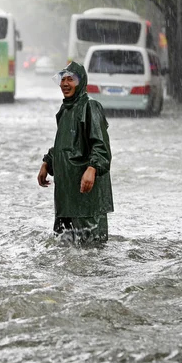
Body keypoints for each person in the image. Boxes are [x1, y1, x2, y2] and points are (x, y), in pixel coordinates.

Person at [37, 61, 113, 244]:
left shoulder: (90, 107)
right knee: (64, 252)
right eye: (63, 80)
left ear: (81, 82)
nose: (65, 84)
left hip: (87, 202)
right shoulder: (65, 110)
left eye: (70, 80)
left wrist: (92, 168)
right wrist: (47, 163)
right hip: (66, 198)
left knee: (92, 252)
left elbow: (101, 146)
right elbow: (66, 145)